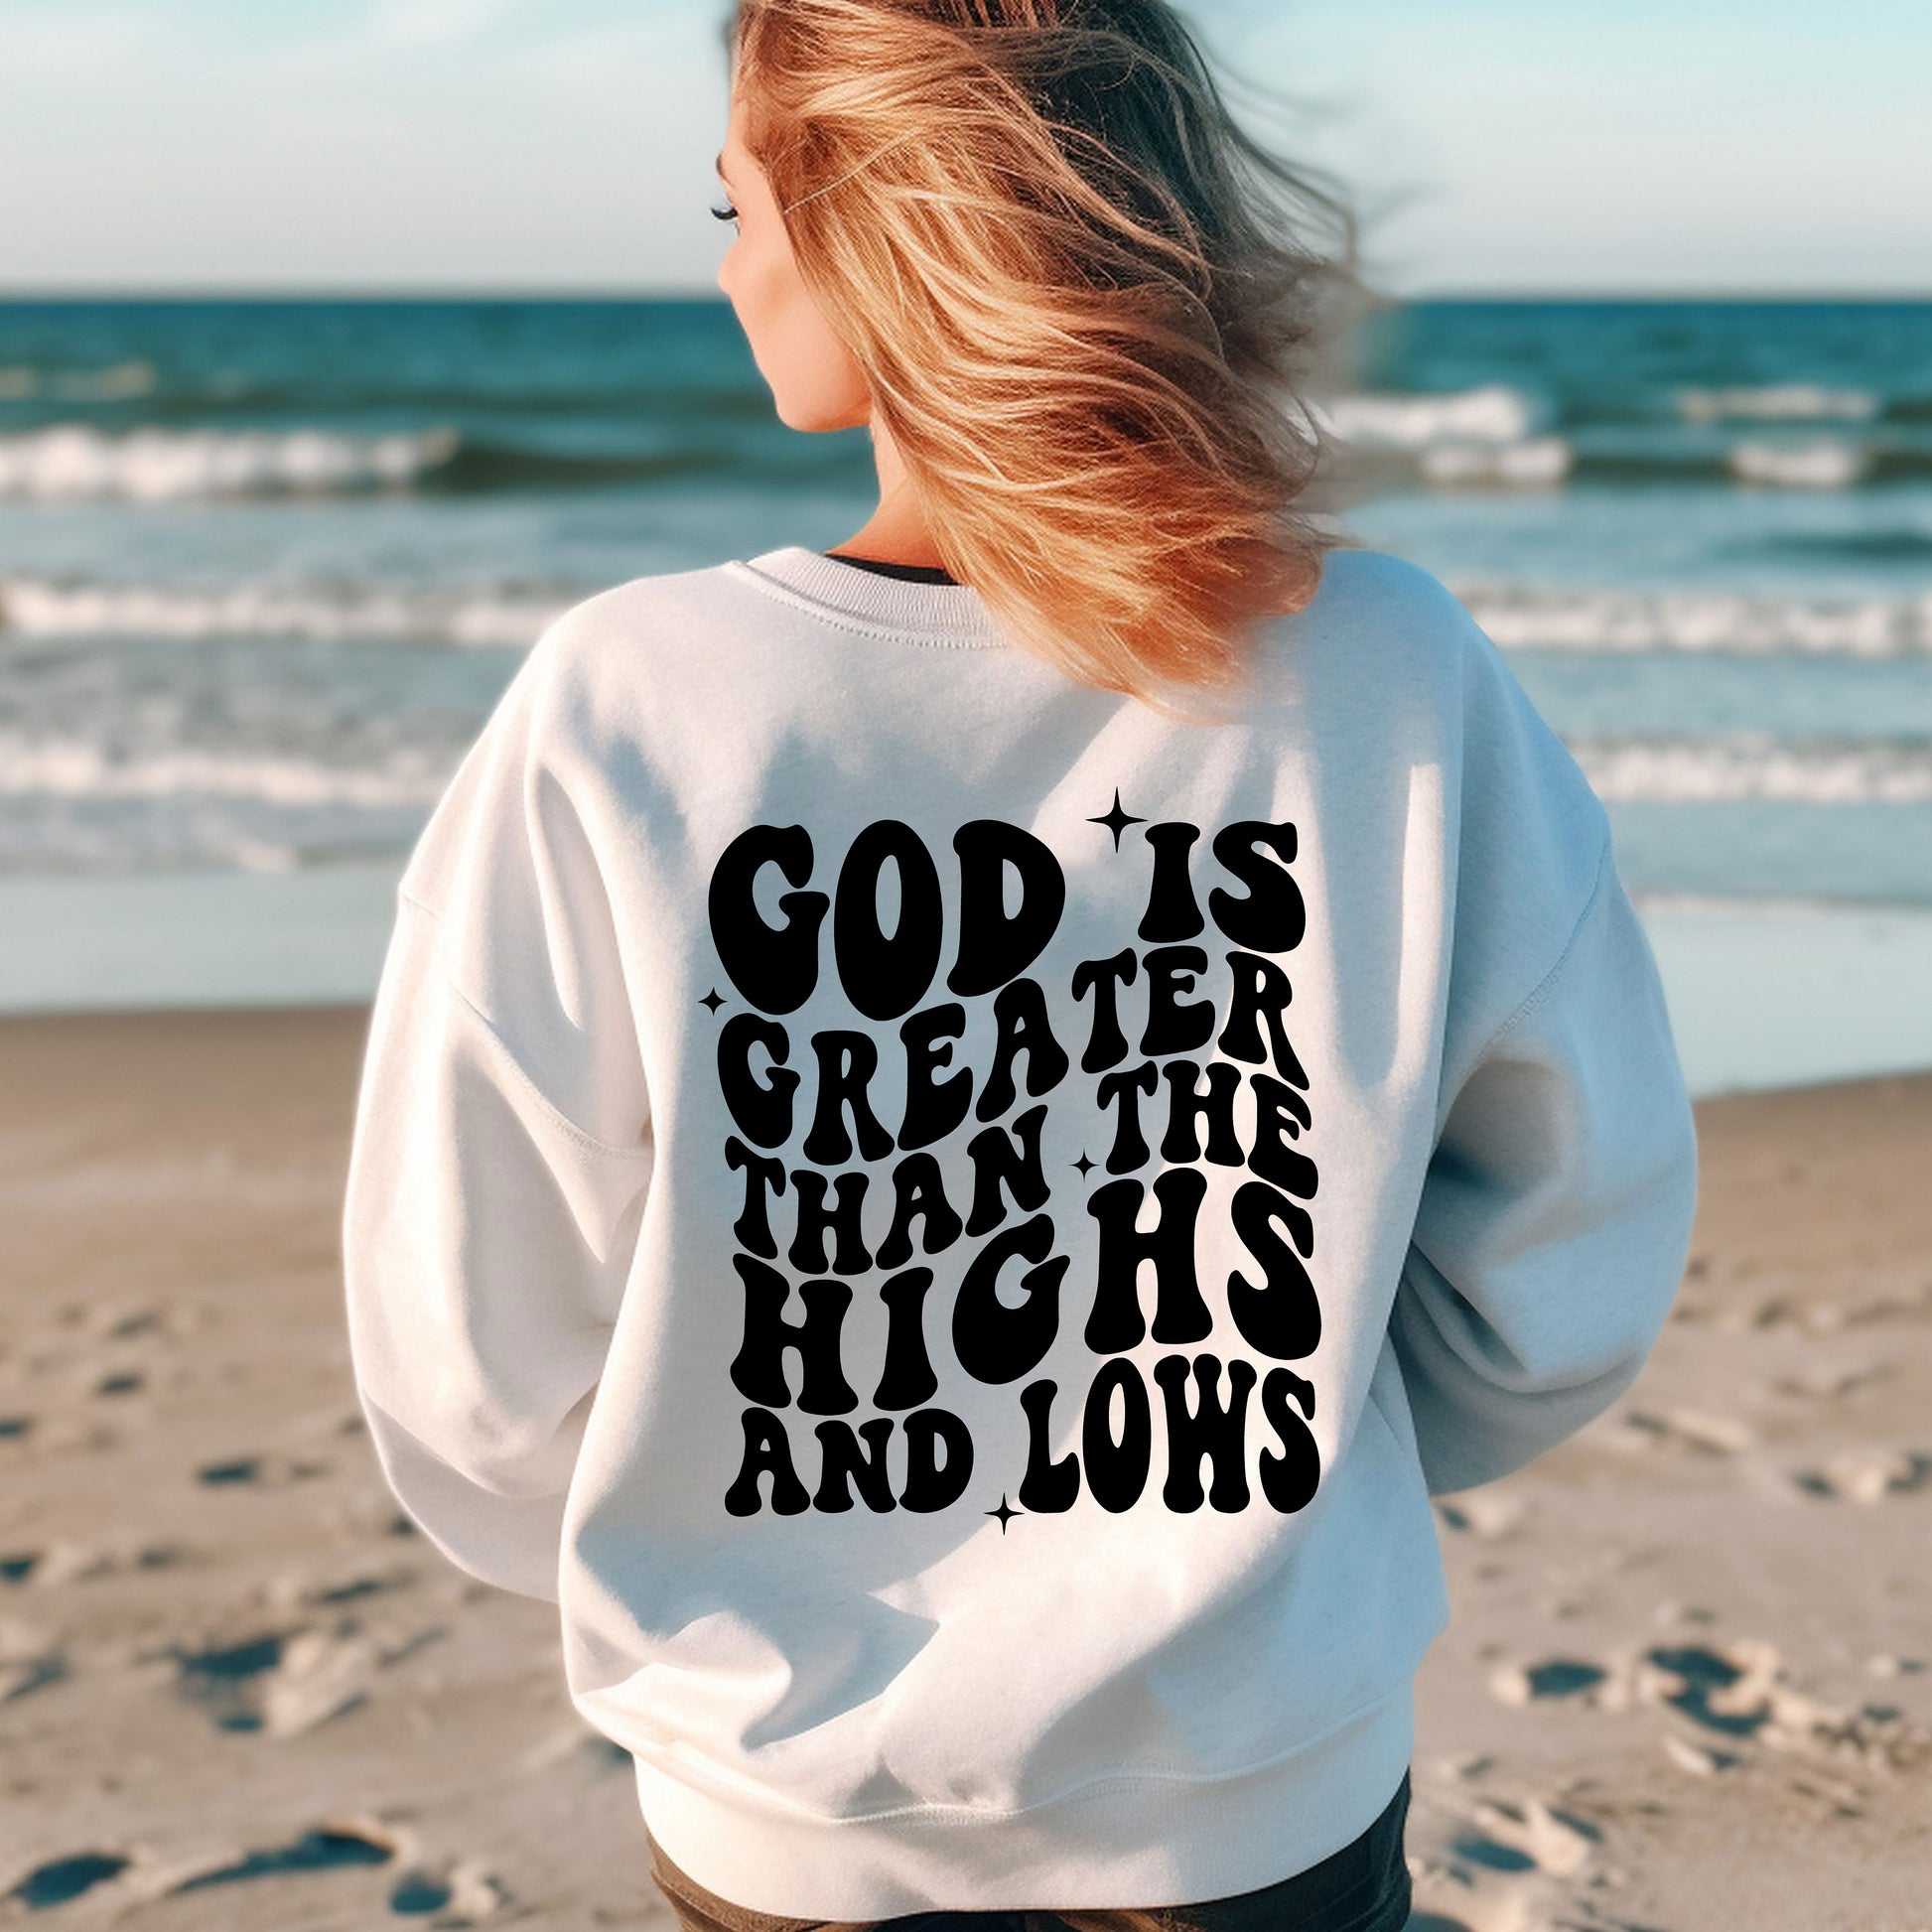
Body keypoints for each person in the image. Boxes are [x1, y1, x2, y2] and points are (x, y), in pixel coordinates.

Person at [339, 4, 1701, 1929]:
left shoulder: (634, 708)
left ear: (881, 223)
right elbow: (1566, 1251)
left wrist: (740, 1539)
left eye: (734, 207)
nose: (727, 267)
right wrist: (1294, 1480)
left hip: (781, 1806)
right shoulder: (1388, 682)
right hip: (1256, 1785)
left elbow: (474, 1364)